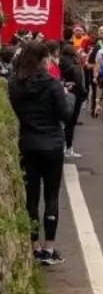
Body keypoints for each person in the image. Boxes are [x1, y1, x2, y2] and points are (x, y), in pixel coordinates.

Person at [9, 41, 73, 265]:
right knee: (52, 196)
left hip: (28, 143)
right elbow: (65, 114)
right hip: (52, 144)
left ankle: (34, 246)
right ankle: (49, 248)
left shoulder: (14, 84)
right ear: (43, 59)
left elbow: (17, 110)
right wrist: (67, 96)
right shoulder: (52, 84)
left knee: (32, 197)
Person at [58, 42, 86, 158]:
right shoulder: (75, 64)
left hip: (64, 91)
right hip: (75, 94)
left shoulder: (60, 62)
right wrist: (84, 92)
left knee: (65, 122)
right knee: (71, 123)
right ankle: (68, 147)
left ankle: (65, 146)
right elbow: (79, 81)